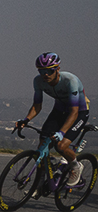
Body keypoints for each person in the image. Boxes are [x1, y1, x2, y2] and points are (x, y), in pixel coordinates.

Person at [17, 52, 90, 187]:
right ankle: (43, 176)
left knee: (61, 145)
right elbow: (37, 105)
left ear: (57, 69)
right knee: (42, 146)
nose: (45, 74)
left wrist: (61, 132)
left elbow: (74, 113)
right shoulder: (38, 81)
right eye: (41, 71)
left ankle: (75, 166)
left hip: (79, 112)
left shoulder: (70, 81)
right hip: (59, 111)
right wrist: (25, 120)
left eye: (49, 71)